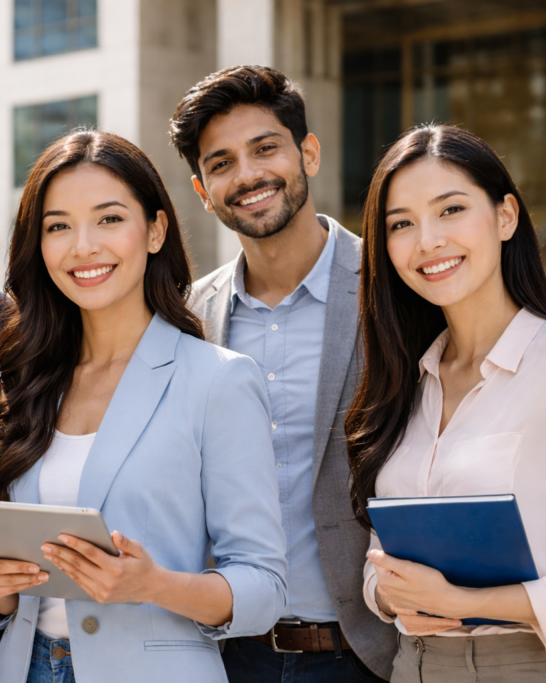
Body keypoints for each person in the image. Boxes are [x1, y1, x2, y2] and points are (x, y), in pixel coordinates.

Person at [0, 129, 288, 683]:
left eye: (110, 219)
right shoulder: (25, 377)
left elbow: (264, 588)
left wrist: (151, 584)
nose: (83, 246)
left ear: (156, 229)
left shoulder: (218, 381)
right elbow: (13, 584)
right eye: (58, 226)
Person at [171, 65, 397, 682]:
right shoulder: (187, 319)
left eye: (265, 148)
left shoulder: (394, 290)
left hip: (368, 655)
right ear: (201, 189)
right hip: (228, 655)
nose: (247, 176)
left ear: (309, 153)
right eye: (220, 164)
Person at [346, 124, 546, 682]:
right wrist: (390, 593)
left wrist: (460, 600)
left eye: (450, 210)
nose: (427, 241)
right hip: (413, 666)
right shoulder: (403, 381)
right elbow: (379, 562)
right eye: (401, 224)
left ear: (505, 217)